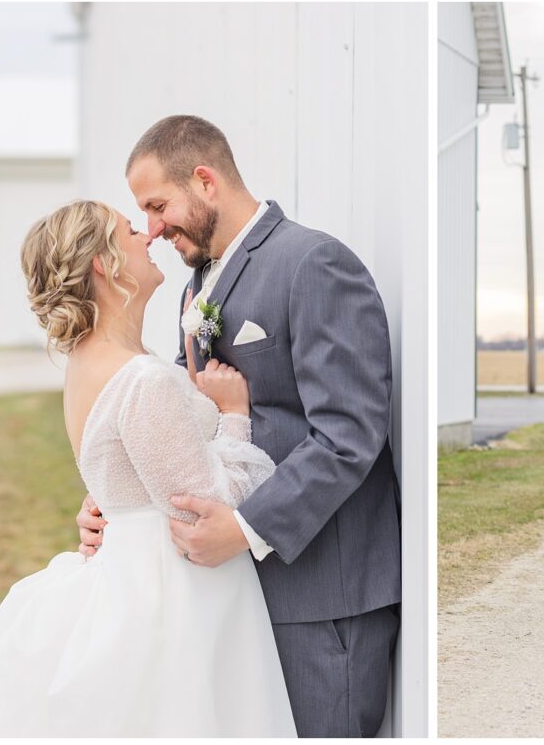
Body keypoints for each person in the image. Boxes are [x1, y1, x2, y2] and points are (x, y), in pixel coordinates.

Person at [0, 200, 296, 736]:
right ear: (104, 262)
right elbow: (207, 507)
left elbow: (124, 472)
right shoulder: (140, 378)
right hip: (177, 596)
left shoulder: (86, 364)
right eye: (129, 230)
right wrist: (235, 416)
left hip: (133, 567)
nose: (148, 235)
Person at [77, 116, 401, 737]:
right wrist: (115, 506)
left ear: (205, 181)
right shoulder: (194, 290)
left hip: (322, 597)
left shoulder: (314, 263)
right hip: (237, 599)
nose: (153, 228)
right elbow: (177, 424)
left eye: (158, 206)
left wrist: (248, 527)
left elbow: (350, 433)